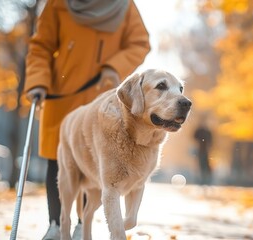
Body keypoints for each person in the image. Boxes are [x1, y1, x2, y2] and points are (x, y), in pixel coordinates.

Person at [23, 0, 150, 239]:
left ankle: (83, 223)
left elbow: (140, 43)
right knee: (58, 160)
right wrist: (38, 81)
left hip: (102, 99)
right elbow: (41, 46)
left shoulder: (124, 5)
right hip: (62, 94)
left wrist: (114, 67)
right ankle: (56, 224)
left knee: (95, 161)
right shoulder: (58, 4)